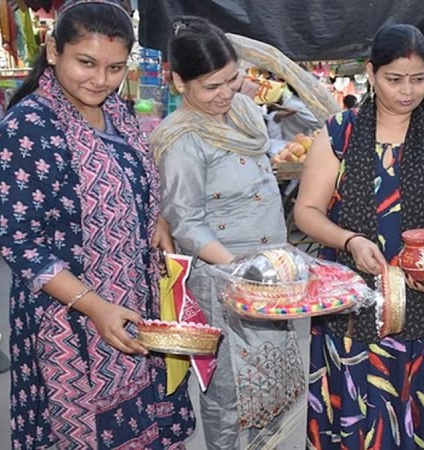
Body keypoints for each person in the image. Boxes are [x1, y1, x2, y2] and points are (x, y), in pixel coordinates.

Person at [0, 1, 195, 448]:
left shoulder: (118, 113)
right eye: (86, 63)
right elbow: (20, 241)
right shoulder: (29, 126)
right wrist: (94, 306)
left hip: (134, 302)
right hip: (69, 320)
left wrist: (157, 219)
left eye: (114, 68)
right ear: (53, 51)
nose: (100, 80)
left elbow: (138, 179)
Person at [294, 24, 424, 449]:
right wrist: (350, 240)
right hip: (352, 304)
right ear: (371, 74)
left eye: (418, 79)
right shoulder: (339, 132)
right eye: (394, 79)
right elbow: (307, 212)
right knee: (360, 411)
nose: (407, 91)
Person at [149, 17, 309, 450]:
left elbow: (307, 113)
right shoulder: (181, 139)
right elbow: (184, 221)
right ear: (179, 82)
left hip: (268, 272)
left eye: (231, 79)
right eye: (210, 86)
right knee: (231, 391)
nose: (224, 94)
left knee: (270, 382)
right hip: (225, 278)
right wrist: (240, 269)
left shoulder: (242, 111)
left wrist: (268, 269)